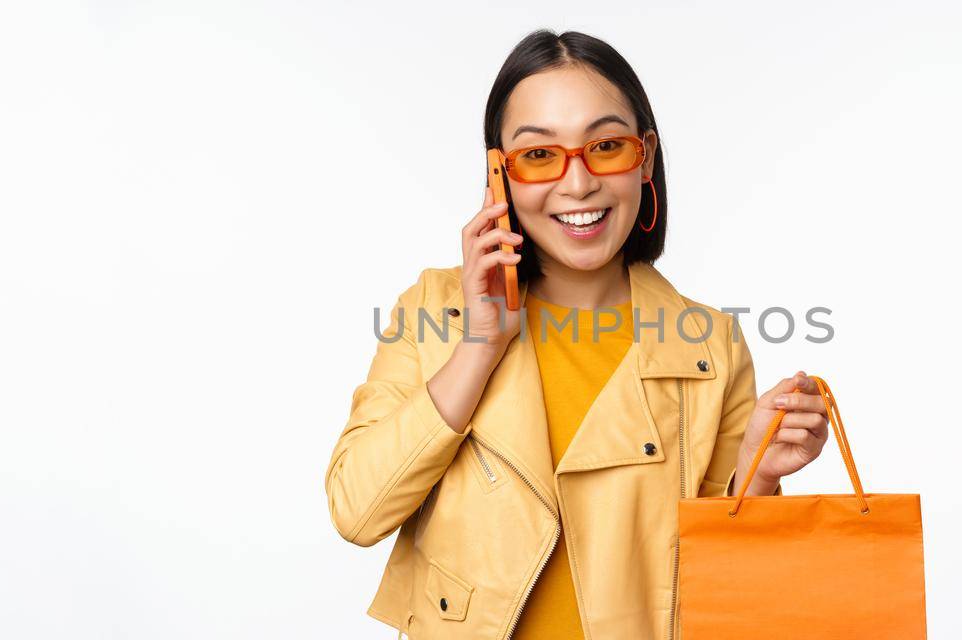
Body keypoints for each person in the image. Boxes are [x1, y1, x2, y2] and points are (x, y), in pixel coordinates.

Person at [324, 29, 834, 640]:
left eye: (607, 146)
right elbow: (357, 512)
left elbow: (724, 595)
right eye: (539, 155)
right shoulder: (434, 309)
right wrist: (478, 348)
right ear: (499, 175)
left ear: (644, 157)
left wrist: (758, 474)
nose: (578, 183)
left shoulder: (709, 345)